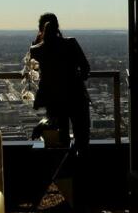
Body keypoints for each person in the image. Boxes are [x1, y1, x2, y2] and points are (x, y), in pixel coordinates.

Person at [27, 12, 90, 152]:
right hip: (77, 97)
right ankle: (82, 169)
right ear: (58, 27)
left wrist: (38, 39)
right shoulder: (71, 43)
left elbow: (32, 69)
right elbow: (86, 68)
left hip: (54, 102)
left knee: (61, 141)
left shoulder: (36, 50)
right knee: (82, 139)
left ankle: (64, 170)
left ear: (40, 29)